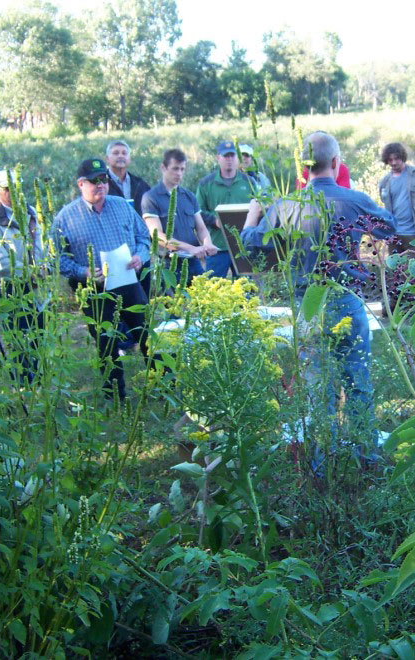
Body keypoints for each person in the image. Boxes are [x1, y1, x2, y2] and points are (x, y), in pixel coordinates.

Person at [242, 131, 396, 460]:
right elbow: (389, 226)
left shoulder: (287, 206)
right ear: (337, 163)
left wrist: (254, 214)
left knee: (316, 389)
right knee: (358, 382)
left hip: (307, 307)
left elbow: (251, 243)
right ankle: (366, 457)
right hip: (347, 299)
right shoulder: (353, 200)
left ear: (302, 168)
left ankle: (319, 463)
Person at [52, 158, 157, 401]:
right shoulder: (65, 218)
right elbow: (57, 260)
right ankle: (115, 396)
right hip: (94, 289)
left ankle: (164, 382)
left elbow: (144, 238)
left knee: (146, 333)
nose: (101, 185)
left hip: (129, 281)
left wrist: (140, 257)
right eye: (94, 181)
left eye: (104, 179)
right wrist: (83, 272)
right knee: (106, 342)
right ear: (80, 184)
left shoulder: (121, 205)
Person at [0, 169, 47, 383]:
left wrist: (44, 265)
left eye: (16, 187)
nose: (13, 193)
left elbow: (42, 245)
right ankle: (23, 381)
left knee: (38, 331)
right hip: (9, 285)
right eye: (8, 189)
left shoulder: (31, 213)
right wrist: (30, 271)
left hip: (35, 284)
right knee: (18, 334)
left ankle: (37, 378)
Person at [141, 149, 217, 287]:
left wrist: (207, 244)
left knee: (205, 301)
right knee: (175, 306)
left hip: (193, 262)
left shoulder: (188, 196)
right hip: (169, 264)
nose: (179, 173)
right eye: (175, 168)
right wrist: (190, 248)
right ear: (163, 168)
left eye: (182, 169)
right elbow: (157, 235)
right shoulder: (151, 197)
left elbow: (201, 228)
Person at [195, 141, 258, 278]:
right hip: (217, 246)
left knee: (246, 291)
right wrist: (215, 221)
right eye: (225, 156)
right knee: (214, 288)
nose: (229, 160)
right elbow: (198, 212)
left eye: (232, 156)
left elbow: (258, 206)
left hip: (243, 246)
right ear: (218, 158)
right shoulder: (206, 184)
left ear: (237, 158)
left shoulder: (249, 182)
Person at [377, 142, 415, 248]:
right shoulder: (385, 181)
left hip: (414, 233)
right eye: (390, 160)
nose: (393, 162)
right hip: (394, 233)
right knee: (394, 264)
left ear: (402, 157)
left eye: (396, 158)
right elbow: (385, 202)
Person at [105, 140, 151, 216]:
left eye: (124, 153)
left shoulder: (139, 184)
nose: (120, 156)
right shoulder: (101, 183)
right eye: (116, 153)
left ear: (129, 158)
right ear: (107, 159)